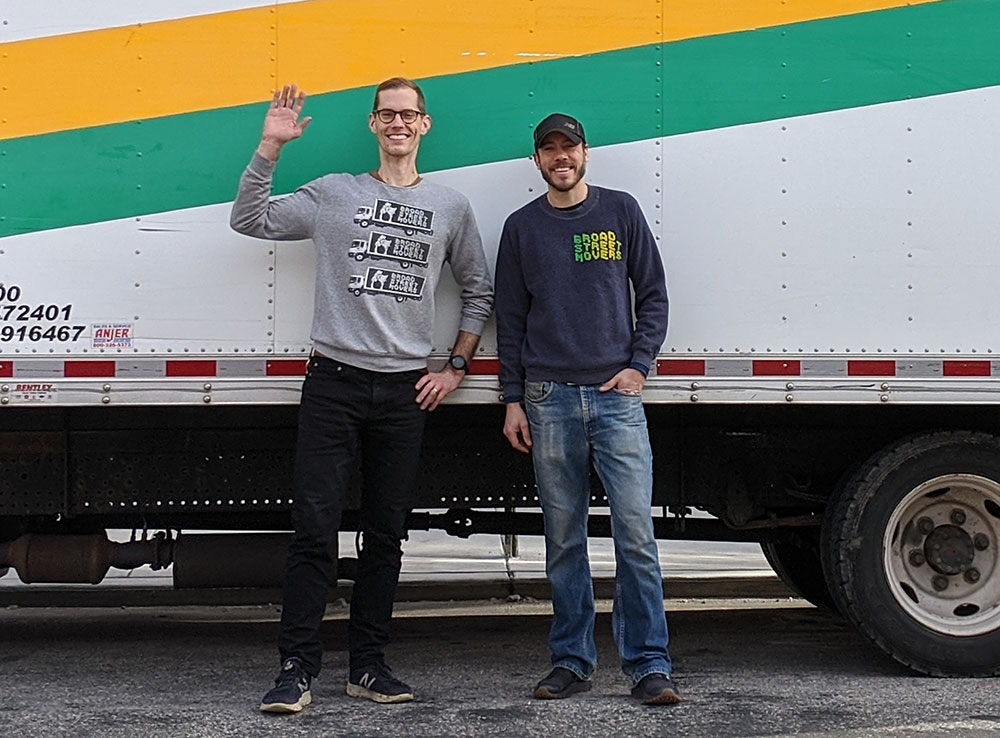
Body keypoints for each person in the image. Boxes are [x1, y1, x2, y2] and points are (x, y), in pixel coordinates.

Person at [230, 79, 493, 713]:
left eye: (410, 114)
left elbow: (478, 291)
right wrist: (270, 146)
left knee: (385, 534)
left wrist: (455, 366)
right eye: (388, 114)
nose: (399, 123)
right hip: (334, 385)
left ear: (424, 125)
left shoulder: (450, 206)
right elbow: (250, 219)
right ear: (374, 124)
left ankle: (368, 666)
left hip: (406, 393)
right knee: (313, 531)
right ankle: (296, 670)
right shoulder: (333, 193)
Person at [495, 113, 680, 705]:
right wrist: (513, 399)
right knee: (565, 540)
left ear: (585, 153)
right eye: (548, 149)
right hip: (548, 399)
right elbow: (511, 320)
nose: (560, 157)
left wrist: (640, 365)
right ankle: (571, 660)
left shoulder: (620, 211)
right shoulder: (521, 228)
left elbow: (652, 293)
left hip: (615, 399)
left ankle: (649, 665)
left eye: (568, 147)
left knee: (635, 537)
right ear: (537, 161)